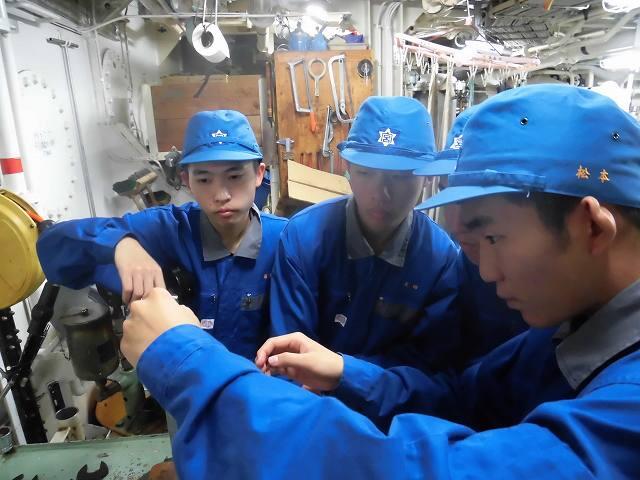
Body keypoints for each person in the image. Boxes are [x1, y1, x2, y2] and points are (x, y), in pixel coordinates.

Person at [121, 84, 640, 479]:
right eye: (471, 244)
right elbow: (458, 397)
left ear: (592, 227)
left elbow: (413, 468)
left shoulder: (625, 403)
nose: (483, 271)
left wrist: (185, 360)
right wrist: (346, 372)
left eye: (491, 237)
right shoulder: (559, 339)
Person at [37, 110, 287, 360]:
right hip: (180, 380)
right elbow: (53, 247)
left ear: (259, 174)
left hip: (260, 381)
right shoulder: (167, 229)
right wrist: (120, 244)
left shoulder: (285, 240)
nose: (221, 195)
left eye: (234, 176)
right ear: (186, 180)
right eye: (204, 179)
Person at [270, 96, 462, 369]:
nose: (380, 193)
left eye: (399, 177)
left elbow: (429, 370)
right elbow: (287, 354)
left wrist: (343, 375)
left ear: (428, 177)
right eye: (365, 173)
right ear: (347, 168)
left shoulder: (441, 260)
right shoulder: (303, 238)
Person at [416, 105, 528, 364]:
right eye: (446, 193)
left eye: (471, 199)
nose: (455, 223)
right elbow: (434, 361)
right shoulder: (462, 265)